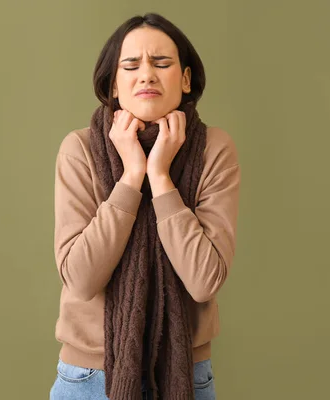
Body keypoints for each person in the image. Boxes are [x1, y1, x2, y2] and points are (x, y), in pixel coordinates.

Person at [50, 12, 240, 400]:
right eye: (131, 65)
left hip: (187, 373)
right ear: (113, 85)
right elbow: (81, 279)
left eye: (162, 63)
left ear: (186, 79)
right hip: (89, 378)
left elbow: (204, 281)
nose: (147, 75)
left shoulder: (214, 149)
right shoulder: (80, 149)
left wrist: (162, 177)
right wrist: (132, 175)